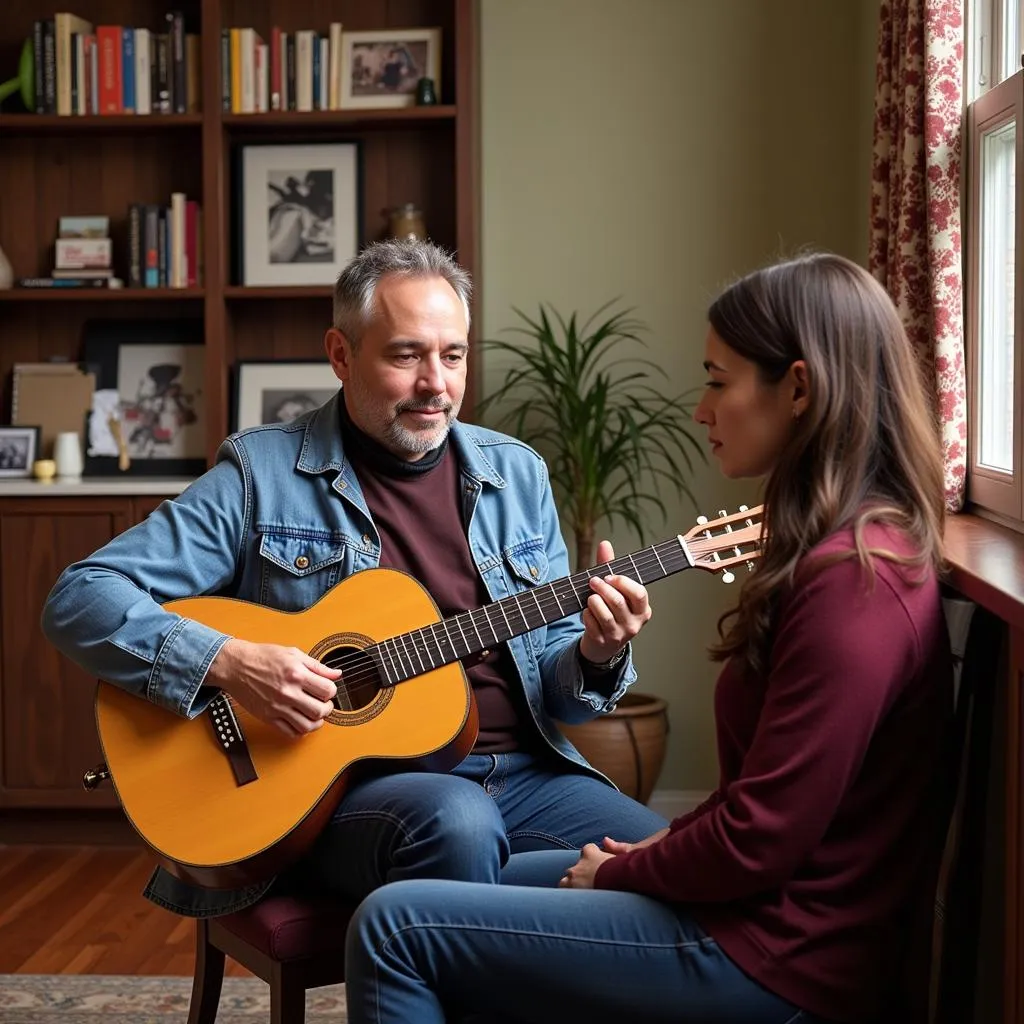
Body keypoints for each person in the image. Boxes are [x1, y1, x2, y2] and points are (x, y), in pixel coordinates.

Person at [341, 252, 954, 1024]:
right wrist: (642, 861)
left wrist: (626, 873)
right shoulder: (846, 553)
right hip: (758, 916)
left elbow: (761, 838)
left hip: (780, 956)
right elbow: (756, 807)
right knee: (488, 886)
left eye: (717, 380)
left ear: (797, 388)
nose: (700, 409)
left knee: (393, 927)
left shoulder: (855, 586)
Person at [40, 239, 666, 920]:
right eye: (407, 355)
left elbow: (565, 699)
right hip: (353, 792)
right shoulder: (261, 477)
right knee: (457, 825)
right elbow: (80, 596)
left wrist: (596, 654)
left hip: (525, 774)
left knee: (671, 859)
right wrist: (230, 662)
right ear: (340, 354)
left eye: (452, 356)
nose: (437, 384)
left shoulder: (515, 474)